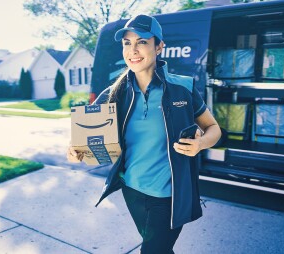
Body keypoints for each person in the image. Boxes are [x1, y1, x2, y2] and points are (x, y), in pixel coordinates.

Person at [67, 14, 221, 253]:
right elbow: (88, 139)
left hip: (169, 193)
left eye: (142, 42)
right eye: (127, 43)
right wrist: (77, 150)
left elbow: (213, 129)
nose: (133, 50)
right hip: (132, 190)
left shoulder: (183, 88)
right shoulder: (114, 92)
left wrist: (201, 144)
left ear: (159, 46)